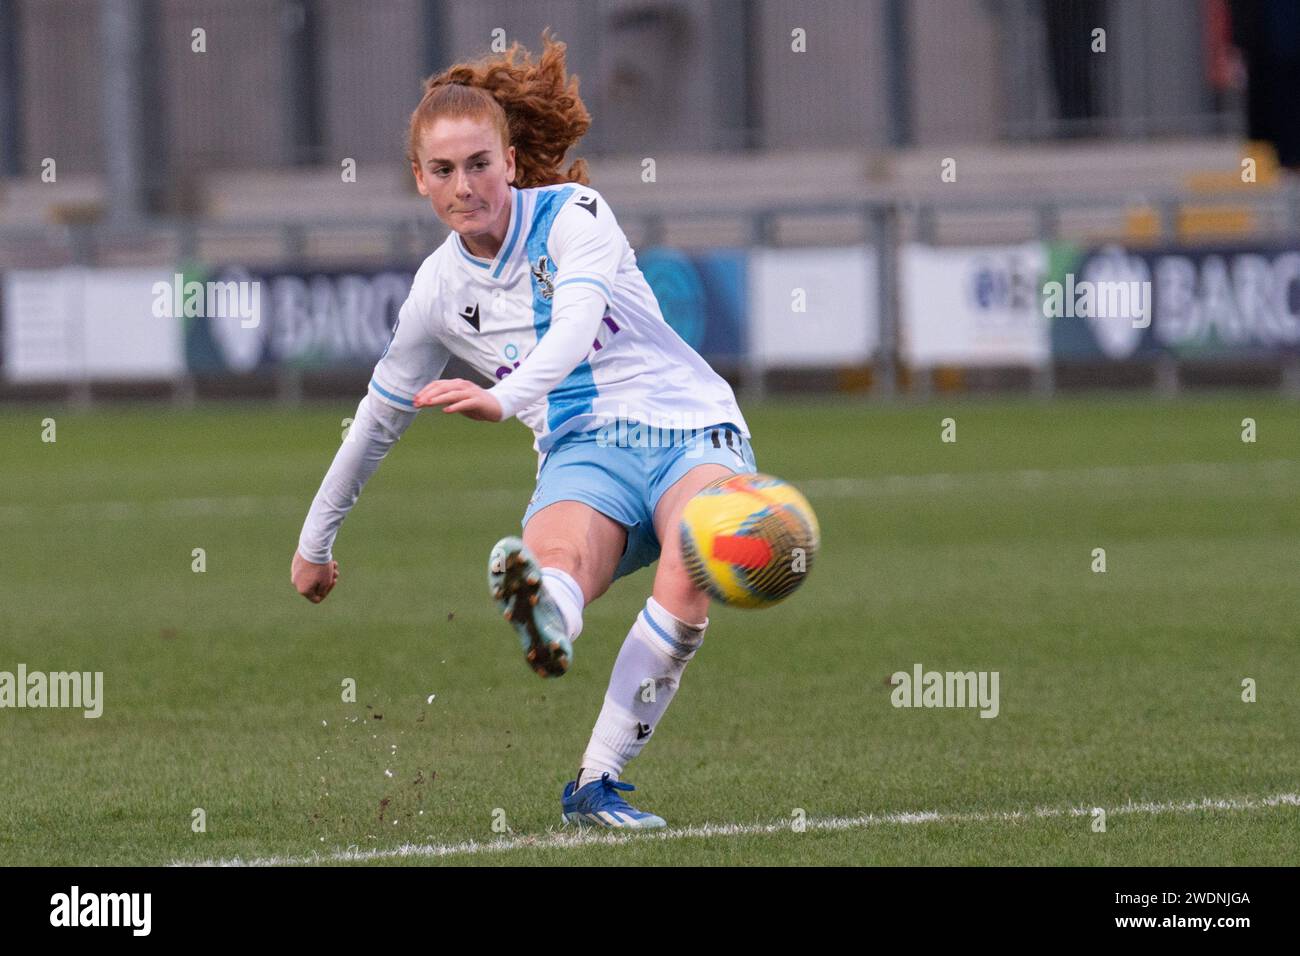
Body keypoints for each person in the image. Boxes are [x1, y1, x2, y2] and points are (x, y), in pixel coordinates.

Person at [291, 31, 755, 830]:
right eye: (443, 170)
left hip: (684, 426)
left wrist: (504, 400)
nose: (464, 185)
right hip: (582, 450)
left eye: (479, 164)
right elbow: (376, 420)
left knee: (692, 561)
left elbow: (574, 327)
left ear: (510, 160)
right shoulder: (437, 289)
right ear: (419, 181)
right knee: (561, 563)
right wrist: (314, 543)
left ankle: (595, 784)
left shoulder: (577, 215)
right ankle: (545, 616)